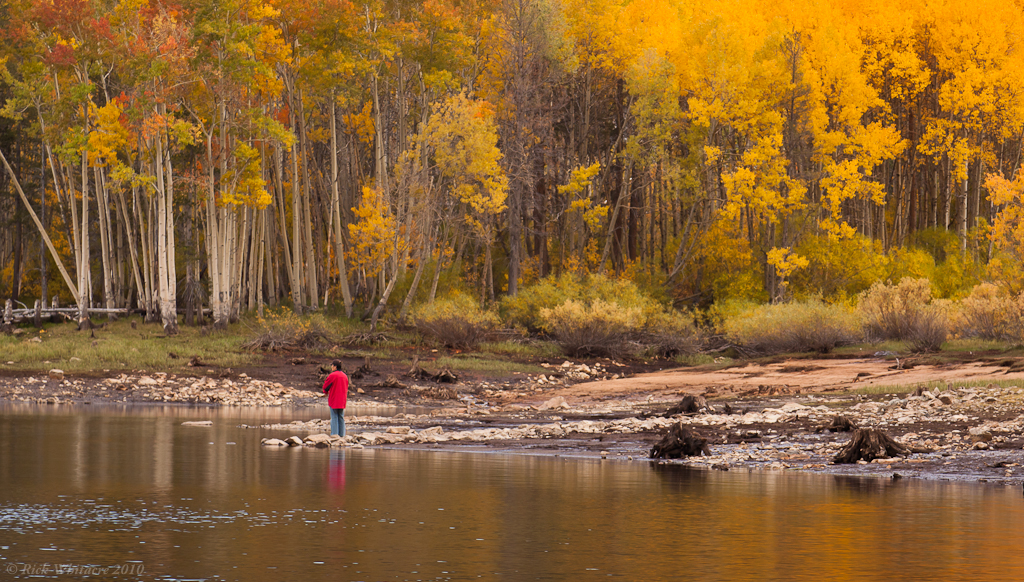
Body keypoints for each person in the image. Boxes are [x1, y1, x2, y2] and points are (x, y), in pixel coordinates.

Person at [322, 360, 349, 436]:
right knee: (341, 417)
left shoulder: (332, 375)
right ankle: (342, 435)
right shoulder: (345, 376)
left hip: (334, 399)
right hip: (342, 400)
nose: (331, 367)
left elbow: (326, 385)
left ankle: (334, 434)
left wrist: (325, 392)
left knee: (334, 417)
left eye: (332, 365)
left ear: (335, 366)